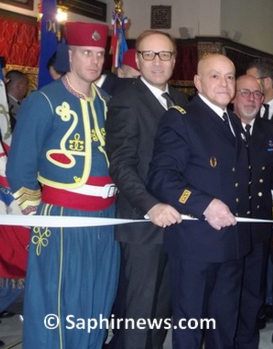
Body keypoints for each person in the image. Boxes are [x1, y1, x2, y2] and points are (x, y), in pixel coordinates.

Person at [6, 21, 119, 348]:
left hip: (106, 219)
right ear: (70, 54)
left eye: (99, 54)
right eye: (86, 53)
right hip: (61, 218)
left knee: (98, 298)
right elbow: (20, 167)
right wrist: (37, 215)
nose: (95, 61)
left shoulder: (109, 103)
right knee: (56, 300)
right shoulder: (43, 102)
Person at [147, 53, 251, 348]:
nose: (224, 83)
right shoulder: (181, 119)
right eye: (215, 76)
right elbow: (161, 177)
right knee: (190, 326)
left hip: (232, 243)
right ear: (197, 82)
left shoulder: (232, 120)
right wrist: (205, 204)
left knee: (224, 324)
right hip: (196, 245)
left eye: (230, 77)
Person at [105, 29, 186, 349]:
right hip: (142, 225)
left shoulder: (180, 100)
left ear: (174, 61)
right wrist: (151, 206)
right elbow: (121, 164)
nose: (157, 62)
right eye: (149, 55)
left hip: (178, 223)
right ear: (138, 59)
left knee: (160, 312)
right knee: (139, 313)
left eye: (164, 55)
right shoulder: (126, 101)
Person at [232, 74, 273, 349]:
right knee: (225, 289)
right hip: (225, 222)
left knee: (253, 290)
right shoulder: (220, 125)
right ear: (234, 95)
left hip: (259, 224)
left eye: (257, 94)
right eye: (245, 93)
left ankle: (247, 342)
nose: (251, 99)